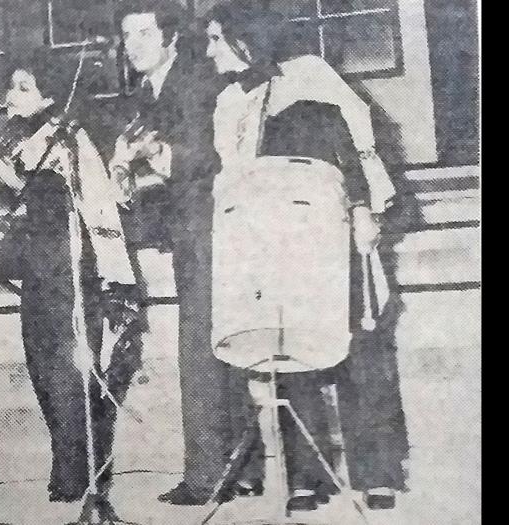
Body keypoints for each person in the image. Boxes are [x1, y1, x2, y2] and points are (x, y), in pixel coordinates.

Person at [202, 2, 406, 511]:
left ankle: (377, 472)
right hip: (270, 238)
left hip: (328, 230)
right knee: (286, 342)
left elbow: (350, 144)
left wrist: (362, 209)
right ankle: (305, 478)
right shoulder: (229, 103)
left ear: (245, 39)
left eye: (216, 38)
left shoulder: (309, 77)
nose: (208, 51)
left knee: (360, 347)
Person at [0, 46, 142, 511]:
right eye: (10, 86)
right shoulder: (9, 137)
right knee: (42, 370)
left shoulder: (69, 136)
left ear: (48, 93)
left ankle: (79, 472)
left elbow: (97, 200)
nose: (11, 95)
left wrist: (115, 277)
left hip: (70, 267)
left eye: (23, 87)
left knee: (71, 370)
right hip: (32, 272)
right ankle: (70, 459)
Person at [109, 0, 237, 506]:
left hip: (213, 227)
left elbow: (204, 157)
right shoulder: (149, 90)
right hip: (189, 230)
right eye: (127, 35)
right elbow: (163, 172)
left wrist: (147, 156)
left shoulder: (194, 80)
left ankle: (208, 476)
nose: (133, 45)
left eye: (143, 33)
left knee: (200, 345)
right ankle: (236, 470)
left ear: (171, 39)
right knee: (211, 339)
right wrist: (129, 180)